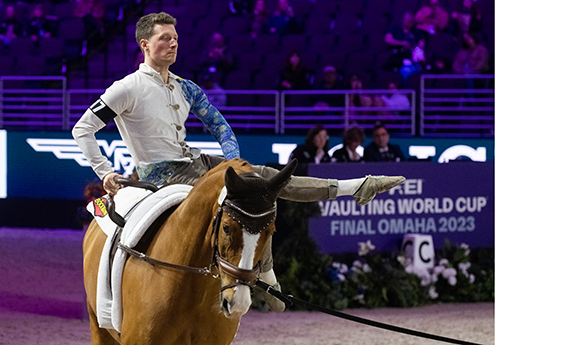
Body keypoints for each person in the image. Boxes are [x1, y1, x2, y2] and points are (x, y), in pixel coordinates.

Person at [71, 12, 405, 313]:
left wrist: (233, 160)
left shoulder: (186, 88)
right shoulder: (126, 88)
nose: (173, 44)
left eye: (175, 38)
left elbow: (219, 125)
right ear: (145, 44)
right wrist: (105, 171)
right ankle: (267, 272)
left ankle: (354, 187)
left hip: (196, 162)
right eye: (165, 38)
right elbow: (83, 128)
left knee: (263, 179)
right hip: (161, 175)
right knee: (249, 200)